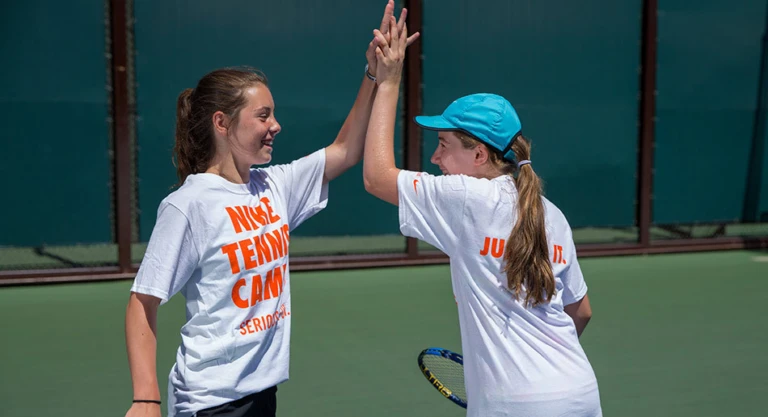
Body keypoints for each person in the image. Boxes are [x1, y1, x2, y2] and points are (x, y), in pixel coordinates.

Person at [124, 3, 419, 417]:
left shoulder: (273, 186)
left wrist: (375, 74)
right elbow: (143, 300)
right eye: (263, 115)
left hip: (262, 393)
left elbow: (346, 150)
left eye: (274, 114)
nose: (275, 125)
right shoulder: (188, 205)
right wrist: (146, 399)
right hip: (211, 402)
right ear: (222, 123)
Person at [363, 18, 602, 417]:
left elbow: (376, 177)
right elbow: (581, 312)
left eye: (443, 145)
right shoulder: (551, 214)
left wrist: (387, 81)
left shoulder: (465, 198)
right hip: (578, 393)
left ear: (479, 156)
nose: (435, 158)